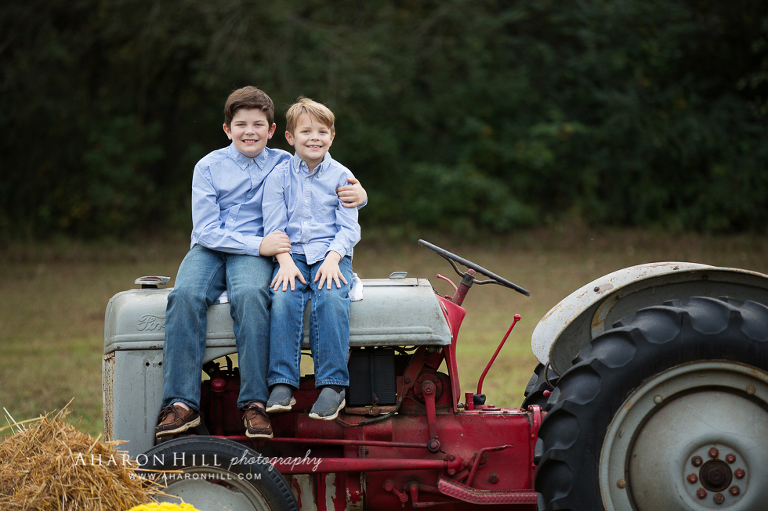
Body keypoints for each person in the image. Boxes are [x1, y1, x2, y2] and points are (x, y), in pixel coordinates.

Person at [155, 87, 367, 439]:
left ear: (272, 131)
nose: (249, 132)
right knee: (184, 296)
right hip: (215, 248)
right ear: (227, 129)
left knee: (252, 295)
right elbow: (205, 230)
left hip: (259, 252)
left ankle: (253, 402)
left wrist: (361, 195)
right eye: (241, 125)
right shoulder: (207, 167)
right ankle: (181, 403)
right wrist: (261, 245)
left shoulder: (285, 161)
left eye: (258, 125)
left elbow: (325, 179)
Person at [262, 98, 360, 421]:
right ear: (290, 137)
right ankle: (282, 382)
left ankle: (333, 384)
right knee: (283, 297)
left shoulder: (342, 177)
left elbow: (349, 228)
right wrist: (285, 261)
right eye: (306, 131)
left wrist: (333, 258)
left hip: (331, 253)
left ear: (332, 136)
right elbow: (273, 226)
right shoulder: (279, 176)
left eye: (322, 131)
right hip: (291, 254)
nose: (314, 137)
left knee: (330, 297)